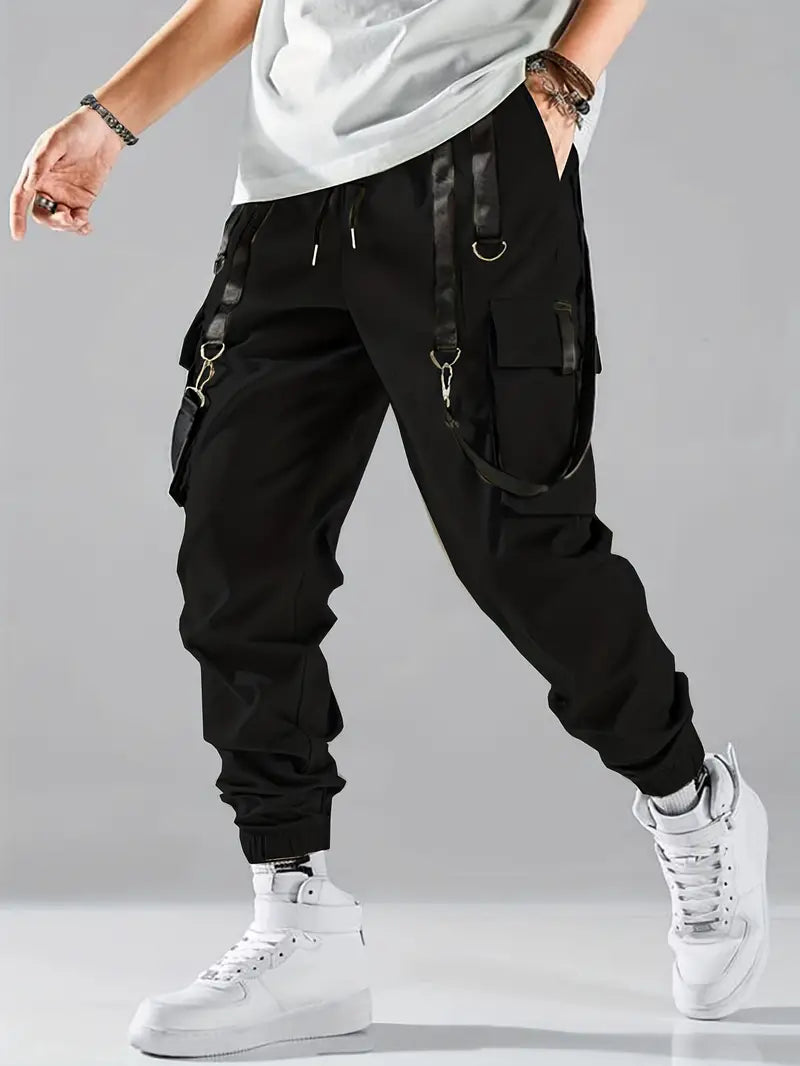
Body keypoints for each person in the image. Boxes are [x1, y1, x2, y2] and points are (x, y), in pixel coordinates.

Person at [9, 0, 770, 1057]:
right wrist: (109, 119)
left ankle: (691, 800)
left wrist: (564, 82)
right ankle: (297, 919)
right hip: (288, 186)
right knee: (238, 553)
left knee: (519, 549)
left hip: (475, 151)